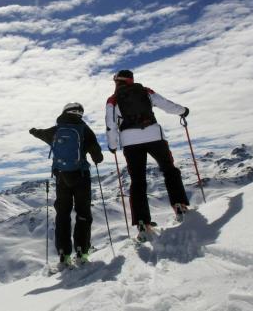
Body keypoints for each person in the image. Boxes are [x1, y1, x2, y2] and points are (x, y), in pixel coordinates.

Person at [105, 69, 190, 241]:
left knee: (138, 181)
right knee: (169, 170)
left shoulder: (113, 100)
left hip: (129, 141)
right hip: (154, 135)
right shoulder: (145, 91)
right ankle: (179, 204)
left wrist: (113, 145)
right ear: (131, 80)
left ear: (117, 82)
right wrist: (183, 111)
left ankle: (143, 222)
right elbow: (166, 104)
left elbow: (110, 124)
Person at [30, 102, 104, 268]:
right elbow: (97, 156)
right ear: (80, 114)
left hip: (61, 178)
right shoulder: (84, 129)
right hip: (81, 176)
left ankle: (64, 254)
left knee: (63, 214)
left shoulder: (56, 130)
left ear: (64, 112)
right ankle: (82, 252)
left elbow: (41, 134)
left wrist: (34, 131)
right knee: (83, 213)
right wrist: (96, 157)